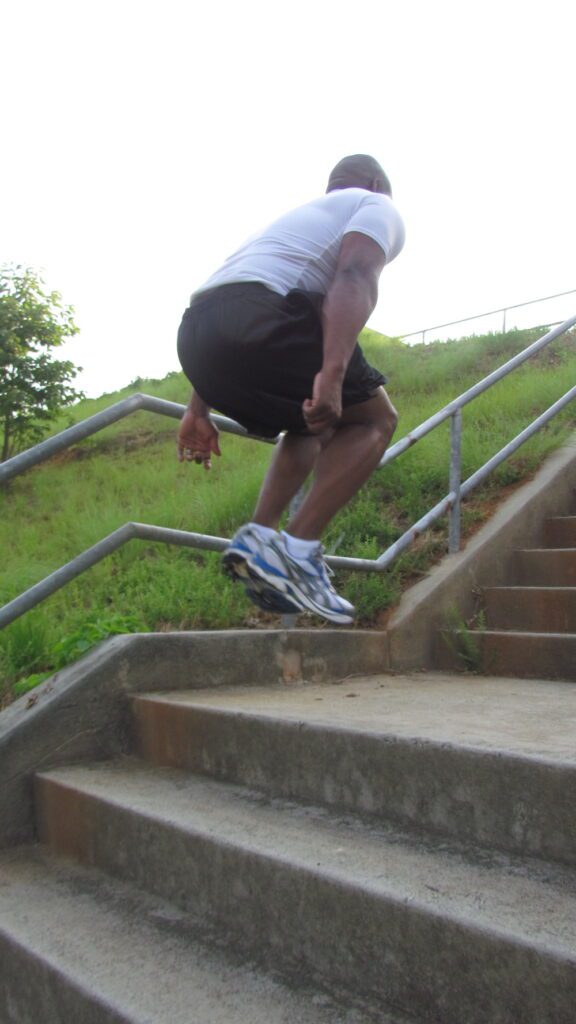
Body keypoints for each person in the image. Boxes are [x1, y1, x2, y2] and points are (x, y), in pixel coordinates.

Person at [176, 154, 405, 625]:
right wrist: (333, 373)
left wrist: (197, 406)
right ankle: (298, 552)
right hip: (265, 316)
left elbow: (229, 300)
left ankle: (260, 536)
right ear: (378, 183)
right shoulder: (375, 205)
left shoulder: (292, 224)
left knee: (311, 422)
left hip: (196, 334)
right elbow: (355, 275)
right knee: (377, 419)